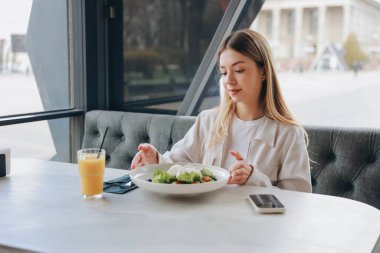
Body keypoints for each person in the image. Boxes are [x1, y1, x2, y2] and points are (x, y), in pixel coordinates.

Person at [131, 29, 311, 192]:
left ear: (263, 72)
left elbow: (299, 198)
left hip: (256, 226)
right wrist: (156, 160)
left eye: (239, 70)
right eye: (224, 73)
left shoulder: (289, 133)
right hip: (208, 221)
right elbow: (177, 162)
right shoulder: (208, 120)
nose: (229, 81)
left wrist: (253, 178)